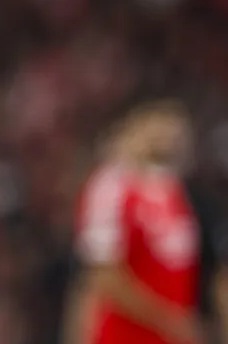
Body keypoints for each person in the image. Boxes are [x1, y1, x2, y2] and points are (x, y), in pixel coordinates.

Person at [65, 100, 210, 344]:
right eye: (157, 122)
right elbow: (103, 276)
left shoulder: (173, 190)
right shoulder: (110, 187)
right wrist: (170, 322)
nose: (168, 134)